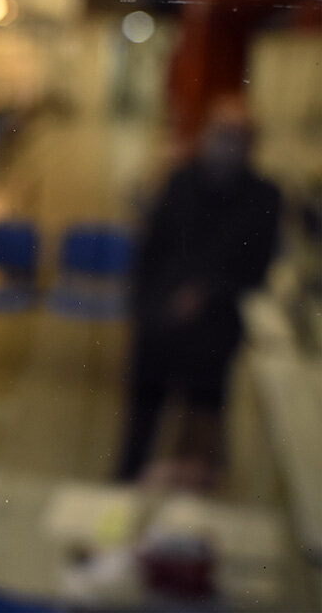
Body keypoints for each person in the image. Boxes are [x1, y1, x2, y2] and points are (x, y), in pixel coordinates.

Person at [117, 97, 280, 488]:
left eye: (237, 136)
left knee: (200, 434)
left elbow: (256, 271)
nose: (226, 144)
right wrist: (144, 306)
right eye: (220, 133)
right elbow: (151, 249)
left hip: (213, 331)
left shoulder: (263, 197)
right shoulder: (181, 180)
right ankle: (123, 490)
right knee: (141, 422)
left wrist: (205, 292)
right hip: (159, 321)